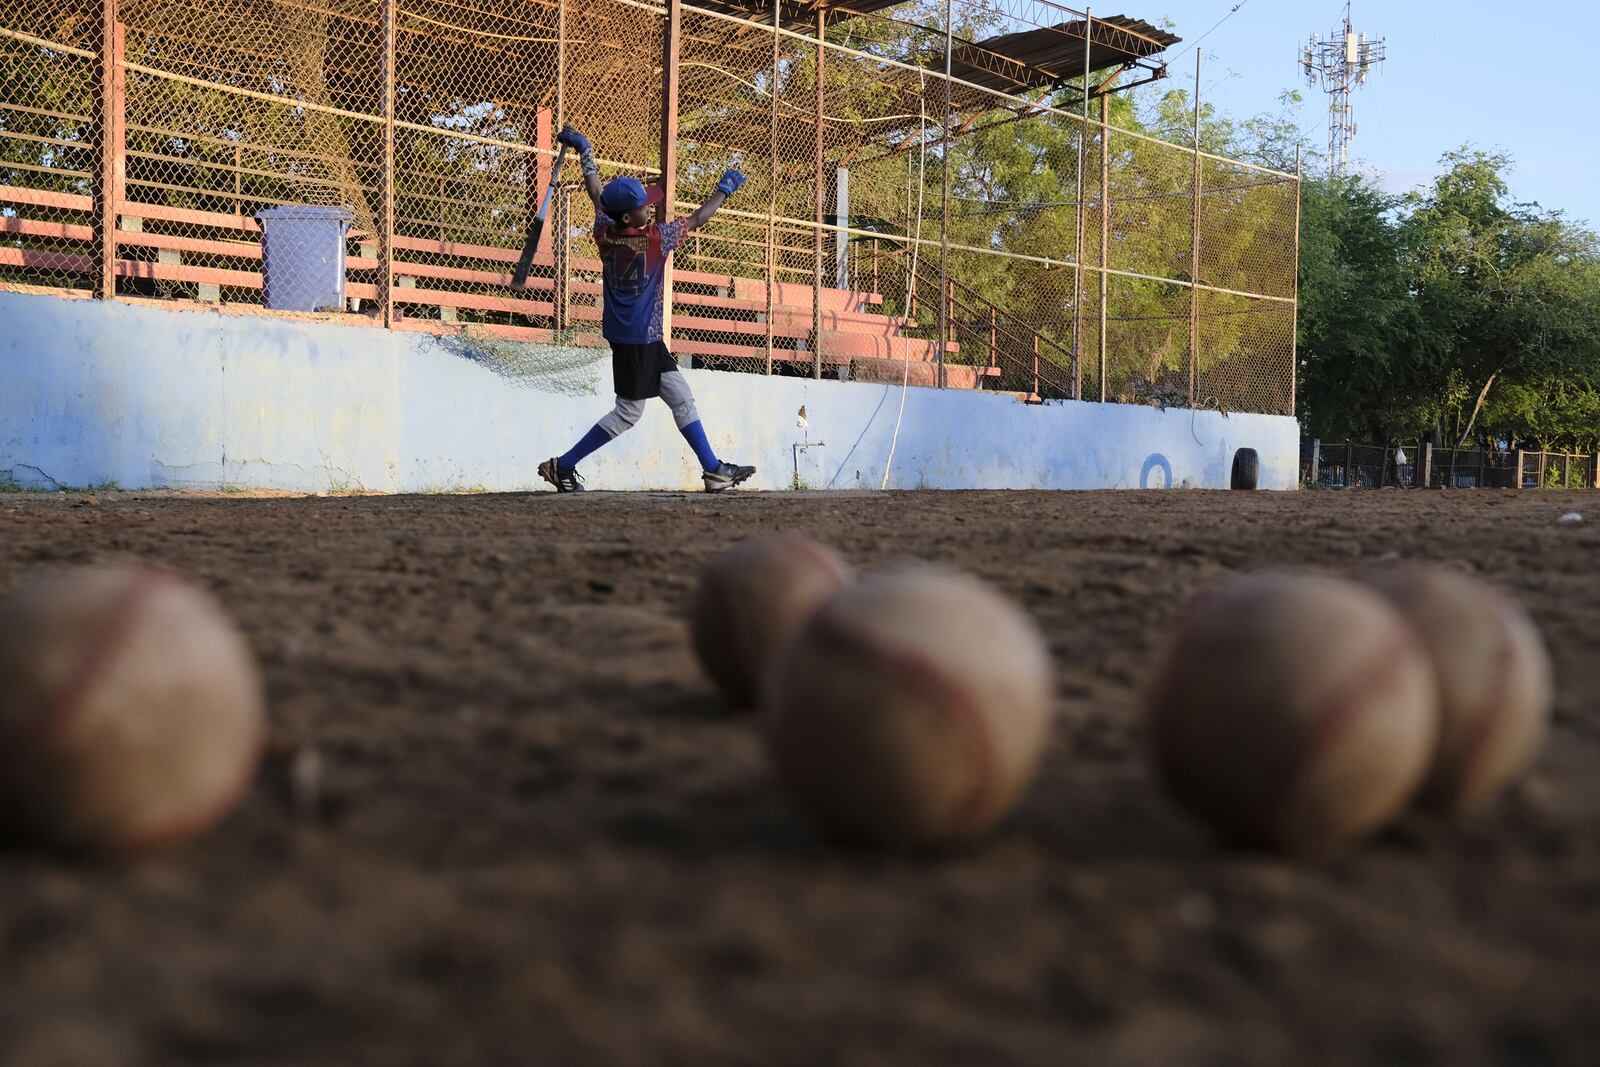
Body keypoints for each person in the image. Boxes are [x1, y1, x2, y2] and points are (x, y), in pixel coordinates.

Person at [538, 125, 757, 493]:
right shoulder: (656, 239)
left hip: (637, 337)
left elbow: (596, 192)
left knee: (682, 398)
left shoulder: (604, 231)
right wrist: (723, 190)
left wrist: (585, 149)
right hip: (638, 339)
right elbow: (699, 218)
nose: (649, 206)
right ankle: (563, 465)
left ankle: (715, 470)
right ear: (629, 217)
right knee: (629, 412)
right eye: (643, 206)